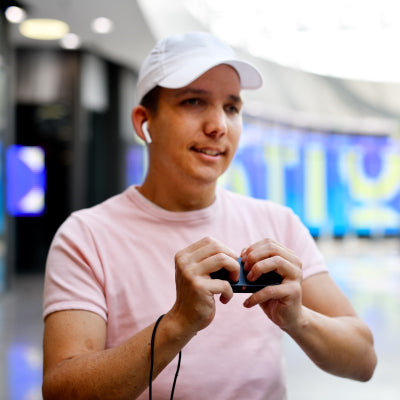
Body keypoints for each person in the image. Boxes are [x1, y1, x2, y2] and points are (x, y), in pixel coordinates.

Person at [42, 31, 377, 400]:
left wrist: (298, 319)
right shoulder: (87, 236)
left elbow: (363, 360)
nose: (219, 125)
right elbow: (62, 388)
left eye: (232, 107)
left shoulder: (276, 225)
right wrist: (177, 324)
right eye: (193, 102)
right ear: (144, 122)